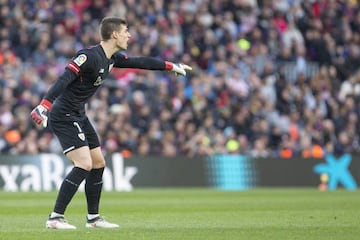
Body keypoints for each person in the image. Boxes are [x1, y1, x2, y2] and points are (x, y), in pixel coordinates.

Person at [30, 16, 192, 230]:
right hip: (64, 114)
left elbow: (140, 62)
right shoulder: (88, 56)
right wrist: (44, 105)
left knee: (98, 163)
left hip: (79, 113)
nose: (129, 35)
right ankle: (55, 217)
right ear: (114, 34)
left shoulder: (112, 58)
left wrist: (171, 66)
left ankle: (94, 219)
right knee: (84, 164)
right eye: (126, 31)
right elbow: (64, 79)